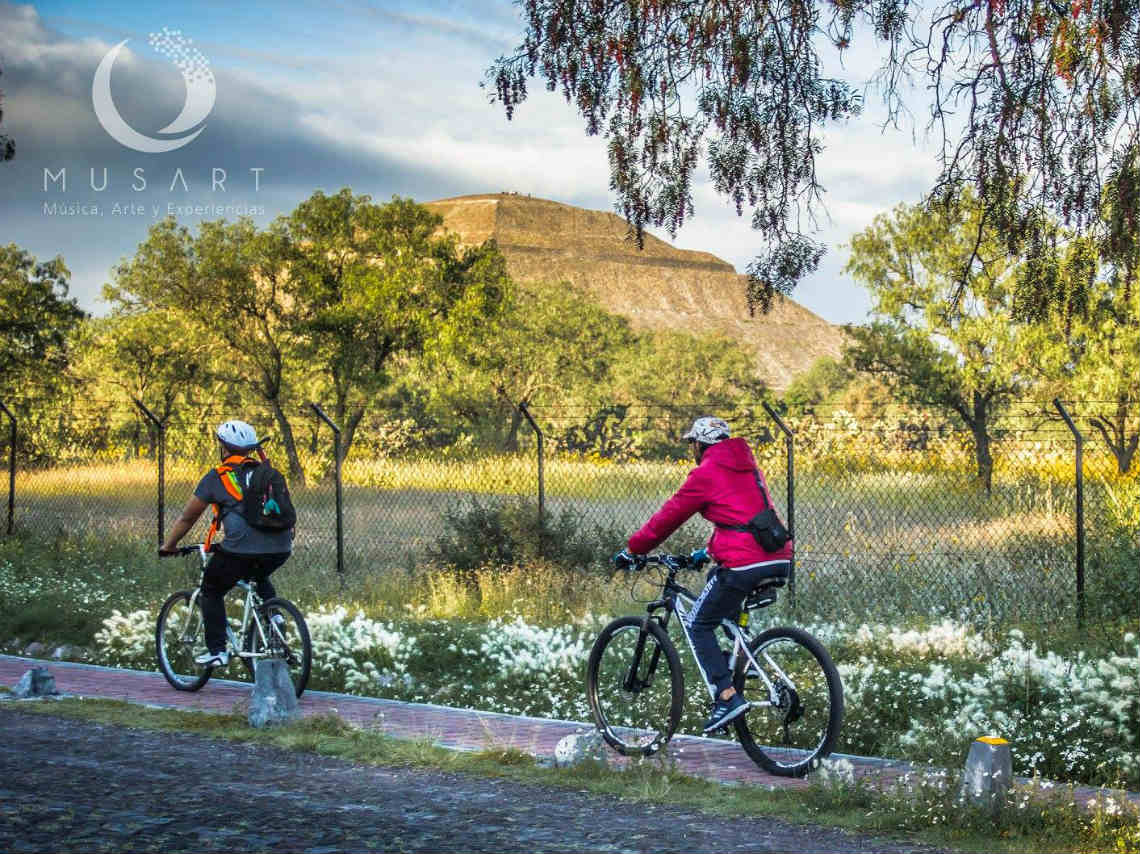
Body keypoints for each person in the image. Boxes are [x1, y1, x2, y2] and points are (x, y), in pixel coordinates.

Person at [614, 416, 793, 733]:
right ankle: (741, 663)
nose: (692, 449)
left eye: (692, 444)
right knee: (716, 587)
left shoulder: (706, 472)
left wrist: (635, 548)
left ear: (700, 444)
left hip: (744, 563)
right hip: (777, 557)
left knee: (698, 624)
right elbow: (741, 519)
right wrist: (706, 553)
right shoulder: (747, 467)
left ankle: (726, 697)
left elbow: (669, 516)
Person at [159, 420, 293, 667]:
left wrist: (169, 545)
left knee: (211, 589)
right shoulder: (267, 474)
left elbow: (188, 517)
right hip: (282, 547)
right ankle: (275, 618)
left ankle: (217, 650)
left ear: (223, 447)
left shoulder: (217, 477)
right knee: (259, 575)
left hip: (241, 549)